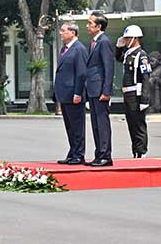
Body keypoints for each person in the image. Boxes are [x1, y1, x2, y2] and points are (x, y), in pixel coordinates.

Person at [54, 22, 88, 165]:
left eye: (63, 30)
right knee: (70, 127)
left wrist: (78, 93)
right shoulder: (65, 49)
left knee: (77, 127)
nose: (60, 33)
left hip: (74, 94)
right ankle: (73, 152)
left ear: (73, 32)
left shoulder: (79, 49)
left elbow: (81, 73)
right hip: (65, 94)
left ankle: (79, 154)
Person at [84, 12, 114, 166]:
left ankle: (105, 155)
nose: (87, 26)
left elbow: (109, 67)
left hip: (100, 89)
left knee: (102, 123)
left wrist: (106, 91)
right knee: (96, 123)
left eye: (90, 23)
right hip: (93, 89)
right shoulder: (94, 42)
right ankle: (99, 154)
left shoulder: (104, 42)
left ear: (99, 26)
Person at [117, 25, 151, 158]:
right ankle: (135, 150)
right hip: (128, 93)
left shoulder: (141, 55)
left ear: (135, 38)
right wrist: (118, 48)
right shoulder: (128, 54)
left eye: (128, 38)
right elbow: (118, 58)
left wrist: (144, 99)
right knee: (131, 123)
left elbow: (146, 78)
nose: (125, 40)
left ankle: (141, 151)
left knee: (139, 124)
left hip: (136, 94)